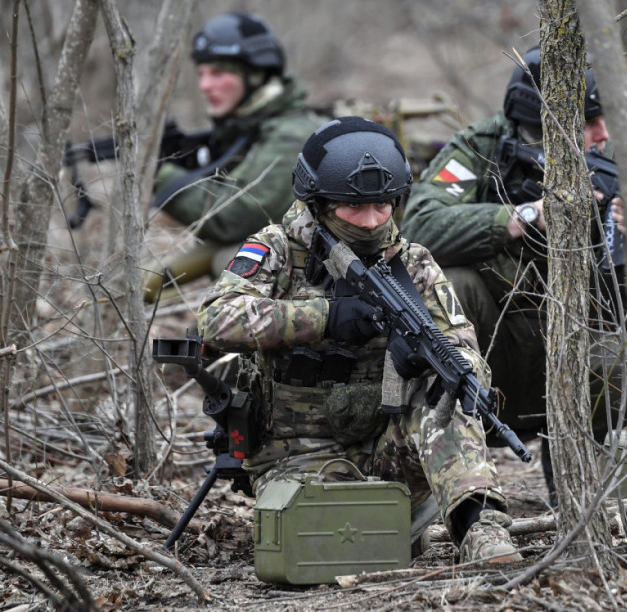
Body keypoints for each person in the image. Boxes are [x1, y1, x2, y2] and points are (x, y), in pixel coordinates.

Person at [196, 116, 522, 565]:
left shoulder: (413, 263)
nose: (370, 221)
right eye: (354, 207)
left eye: (382, 205)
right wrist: (324, 318)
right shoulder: (278, 250)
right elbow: (215, 318)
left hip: (387, 446)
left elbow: (461, 344)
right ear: (319, 203)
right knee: (326, 549)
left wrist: (426, 363)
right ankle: (387, 527)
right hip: (297, 453)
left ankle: (481, 530)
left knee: (449, 395)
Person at [400, 47, 627, 499]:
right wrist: (524, 216)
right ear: (545, 124)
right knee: (452, 285)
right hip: (487, 350)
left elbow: (617, 316)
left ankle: (573, 487)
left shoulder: (607, 166)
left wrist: (626, 245)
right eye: (590, 121)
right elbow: (419, 227)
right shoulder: (479, 149)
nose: (603, 134)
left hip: (562, 351)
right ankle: (454, 475)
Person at [143, 12, 325, 303]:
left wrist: (158, 174)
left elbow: (233, 218)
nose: (204, 85)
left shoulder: (291, 135)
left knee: (229, 259)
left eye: (218, 73)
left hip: (323, 272)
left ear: (255, 75)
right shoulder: (249, 127)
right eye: (201, 73)